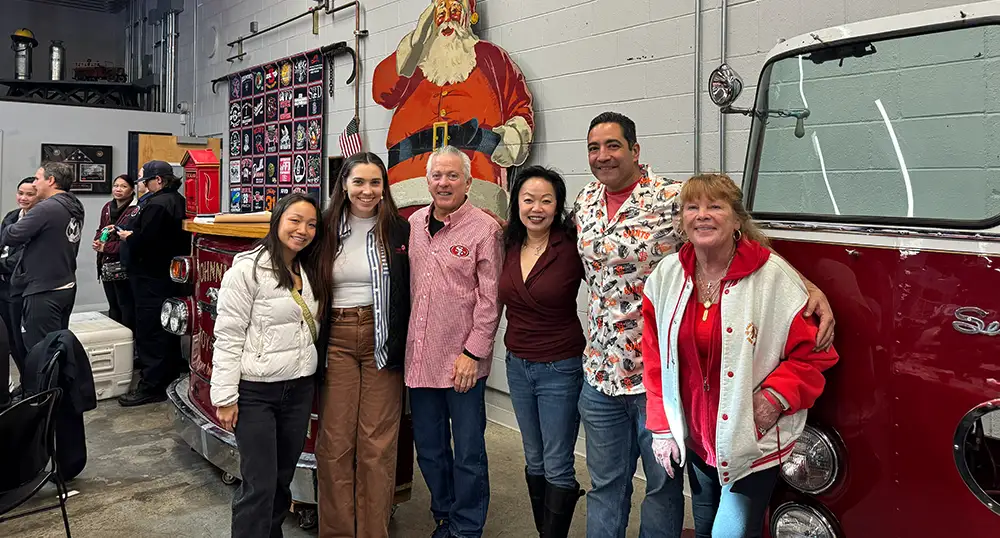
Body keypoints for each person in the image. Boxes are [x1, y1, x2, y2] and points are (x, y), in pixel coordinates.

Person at [573, 112, 835, 538]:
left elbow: (748, 246)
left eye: (613, 145)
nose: (603, 156)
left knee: (663, 491)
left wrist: (806, 287)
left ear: (636, 151)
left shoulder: (672, 196)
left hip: (658, 384)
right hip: (606, 372)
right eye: (593, 148)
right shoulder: (584, 203)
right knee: (604, 484)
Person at [642, 174, 839, 538]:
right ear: (681, 221)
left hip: (752, 439)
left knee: (729, 534)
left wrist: (771, 400)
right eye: (692, 207)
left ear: (737, 221)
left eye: (715, 206)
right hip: (697, 440)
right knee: (704, 525)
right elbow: (655, 360)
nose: (703, 215)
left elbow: (815, 355)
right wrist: (662, 427)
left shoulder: (773, 277)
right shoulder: (665, 277)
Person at [210, 193, 326, 538]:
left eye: (311, 224)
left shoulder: (309, 268)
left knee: (280, 481)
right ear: (277, 220)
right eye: (295, 220)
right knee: (258, 485)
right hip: (256, 392)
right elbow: (228, 335)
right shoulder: (246, 269)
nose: (302, 230)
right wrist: (225, 396)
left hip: (299, 389)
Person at [407, 145, 502, 538]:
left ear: (468, 182)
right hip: (419, 360)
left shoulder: (485, 229)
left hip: (462, 363)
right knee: (429, 450)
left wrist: (472, 353)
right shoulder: (413, 223)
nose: (443, 183)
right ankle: (443, 514)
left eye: (452, 176)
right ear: (427, 180)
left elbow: (491, 299)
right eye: (437, 176)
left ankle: (466, 527)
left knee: (467, 454)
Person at [315, 152, 411, 538]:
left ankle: (374, 532)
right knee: (335, 445)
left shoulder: (400, 231)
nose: (367, 191)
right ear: (344, 185)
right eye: (359, 182)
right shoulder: (322, 228)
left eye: (375, 183)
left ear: (384, 187)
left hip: (382, 339)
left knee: (377, 446)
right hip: (335, 338)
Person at [373, 0, 534, 215]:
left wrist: (506, 142)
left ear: (470, 17)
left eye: (455, 10)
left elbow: (520, 107)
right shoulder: (411, 63)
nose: (447, 18)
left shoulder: (492, 58)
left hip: (476, 186)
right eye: (441, 10)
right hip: (408, 186)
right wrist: (417, 40)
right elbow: (381, 92)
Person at [498, 166, 586, 538]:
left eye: (546, 200)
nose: (536, 208)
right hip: (517, 365)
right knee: (533, 458)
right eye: (528, 199)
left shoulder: (572, 244)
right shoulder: (507, 241)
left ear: (558, 206)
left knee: (556, 463)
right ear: (516, 202)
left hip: (560, 368)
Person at [116, 160, 190, 406]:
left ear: (158, 180)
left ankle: (151, 385)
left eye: (145, 182)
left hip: (150, 277)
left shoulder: (157, 204)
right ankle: (167, 376)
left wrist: (129, 236)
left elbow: (147, 241)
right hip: (168, 276)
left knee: (150, 331)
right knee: (167, 327)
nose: (143, 187)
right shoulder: (178, 201)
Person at [0, 162, 84, 355]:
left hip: (44, 289)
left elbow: (10, 235)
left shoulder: (47, 208)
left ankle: (44, 386)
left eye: (38, 179)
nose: (35, 184)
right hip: (65, 284)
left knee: (41, 351)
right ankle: (58, 385)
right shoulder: (74, 205)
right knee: (57, 346)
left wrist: (16, 226)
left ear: (51, 180)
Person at [0, 177, 38, 378]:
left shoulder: (38, 220)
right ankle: (24, 380)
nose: (23, 198)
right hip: (3, 285)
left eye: (29, 194)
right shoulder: (11, 216)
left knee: (22, 338)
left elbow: (22, 257)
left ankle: (33, 385)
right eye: (20, 193)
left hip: (21, 287)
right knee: (9, 339)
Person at [94, 174, 139, 331]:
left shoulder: (136, 209)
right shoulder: (107, 207)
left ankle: (129, 341)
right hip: (105, 263)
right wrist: (98, 240)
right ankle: (116, 338)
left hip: (123, 264)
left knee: (125, 305)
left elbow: (131, 241)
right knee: (112, 305)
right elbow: (101, 228)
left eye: (123, 186)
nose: (118, 189)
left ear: (132, 190)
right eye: (116, 186)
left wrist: (106, 247)